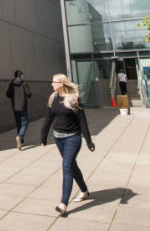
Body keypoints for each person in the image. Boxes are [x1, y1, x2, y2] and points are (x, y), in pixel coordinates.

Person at [40, 73, 95, 216]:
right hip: (58, 138)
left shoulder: (73, 99)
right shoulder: (53, 98)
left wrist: (88, 141)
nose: (52, 84)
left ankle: (63, 204)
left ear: (62, 84)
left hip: (72, 138)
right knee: (72, 165)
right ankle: (84, 191)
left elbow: (82, 121)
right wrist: (43, 136)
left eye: (54, 82)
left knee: (66, 166)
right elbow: (48, 118)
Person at [6, 70, 31, 150]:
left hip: (15, 107)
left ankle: (22, 141)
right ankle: (19, 137)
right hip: (23, 106)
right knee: (25, 124)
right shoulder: (24, 83)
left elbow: (8, 94)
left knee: (19, 124)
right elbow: (29, 94)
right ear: (21, 76)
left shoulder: (11, 84)